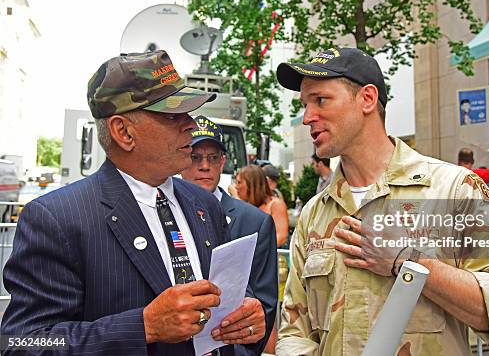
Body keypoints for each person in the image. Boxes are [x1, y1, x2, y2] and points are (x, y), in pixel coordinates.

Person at [274, 47, 489, 355]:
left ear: (367, 99)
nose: (307, 117)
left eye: (321, 100)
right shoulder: (314, 213)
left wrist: (408, 261)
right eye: (305, 104)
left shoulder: (453, 191)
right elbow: (295, 330)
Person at [1, 51, 266, 355]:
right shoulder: (57, 219)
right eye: (173, 115)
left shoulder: (203, 203)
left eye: (189, 113)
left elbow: (226, 292)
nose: (191, 125)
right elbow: (23, 343)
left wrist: (246, 315)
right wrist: (143, 327)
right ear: (123, 131)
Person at [180, 115, 278, 355]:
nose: (205, 165)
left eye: (212, 158)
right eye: (195, 157)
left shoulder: (255, 221)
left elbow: (265, 305)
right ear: (181, 159)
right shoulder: (163, 214)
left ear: (223, 161)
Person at [235, 165, 288, 248]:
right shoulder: (243, 205)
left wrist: (257, 252)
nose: (236, 186)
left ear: (251, 184)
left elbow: (280, 237)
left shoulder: (275, 204)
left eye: (239, 182)